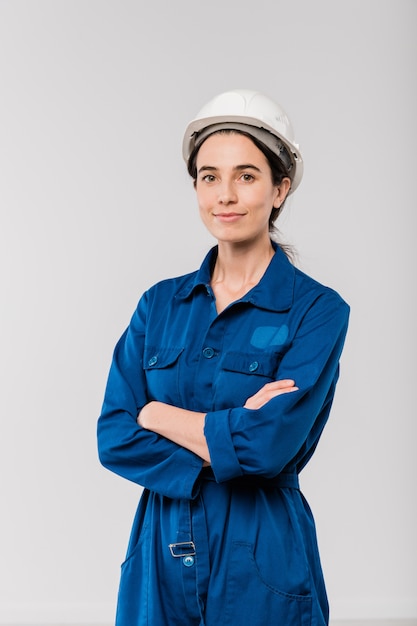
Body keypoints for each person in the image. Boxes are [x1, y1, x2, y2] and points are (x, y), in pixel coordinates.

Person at [97, 89, 350, 626]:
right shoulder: (159, 305)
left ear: (280, 189)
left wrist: (156, 415)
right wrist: (228, 434)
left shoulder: (318, 311)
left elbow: (267, 449)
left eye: (247, 175)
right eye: (209, 176)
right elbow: (114, 435)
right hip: (160, 551)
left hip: (261, 556)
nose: (225, 195)